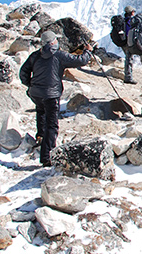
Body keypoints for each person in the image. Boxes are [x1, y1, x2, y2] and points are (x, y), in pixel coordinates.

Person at [19, 30, 92, 166]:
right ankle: (46, 157)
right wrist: (88, 51)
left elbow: (23, 72)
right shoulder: (59, 55)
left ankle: (40, 137)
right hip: (51, 95)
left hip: (35, 93)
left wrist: (30, 84)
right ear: (52, 42)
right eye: (56, 40)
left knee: (41, 111)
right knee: (52, 125)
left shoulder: (35, 55)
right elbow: (80, 60)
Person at [122, 6, 138, 84]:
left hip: (123, 42)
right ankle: (128, 77)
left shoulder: (123, 20)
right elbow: (129, 32)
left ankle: (128, 75)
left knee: (128, 58)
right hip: (128, 42)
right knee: (129, 59)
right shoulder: (129, 20)